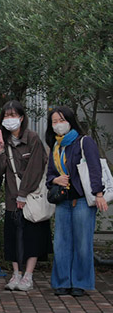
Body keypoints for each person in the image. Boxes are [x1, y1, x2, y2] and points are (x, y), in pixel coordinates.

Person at [45, 106, 108, 297]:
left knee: (82, 243)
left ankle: (80, 282)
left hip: (82, 200)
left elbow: (95, 168)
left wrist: (98, 194)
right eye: (54, 121)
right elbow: (50, 174)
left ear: (70, 120)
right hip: (63, 200)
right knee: (61, 243)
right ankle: (62, 282)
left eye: (61, 120)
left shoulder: (84, 142)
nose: (58, 125)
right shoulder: (56, 146)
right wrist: (56, 180)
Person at [0, 100, 51, 292]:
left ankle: (28, 276)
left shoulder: (33, 138)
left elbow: (35, 169)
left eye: (13, 115)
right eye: (6, 116)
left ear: (21, 117)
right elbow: (0, 169)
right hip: (11, 196)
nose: (9, 120)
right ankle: (15, 274)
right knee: (12, 236)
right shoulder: (5, 140)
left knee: (32, 235)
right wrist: (0, 150)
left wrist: (24, 194)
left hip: (31, 195)